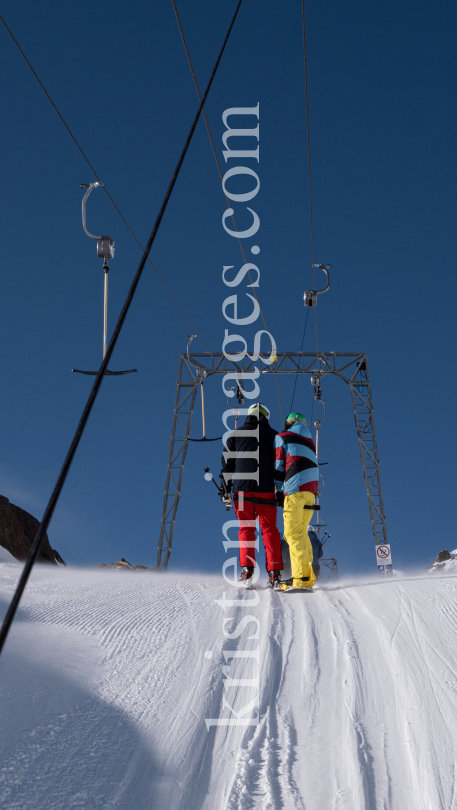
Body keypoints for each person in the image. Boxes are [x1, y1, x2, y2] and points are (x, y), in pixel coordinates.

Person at [221, 402, 283, 589]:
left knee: (246, 530)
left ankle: (247, 571)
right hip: (266, 491)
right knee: (269, 530)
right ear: (266, 417)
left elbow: (226, 466)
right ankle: (274, 573)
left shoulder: (235, 435)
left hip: (242, 491)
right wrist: (280, 491)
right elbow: (280, 465)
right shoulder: (275, 436)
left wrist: (226, 489)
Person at [274, 412, 319, 591]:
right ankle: (307, 577)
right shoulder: (310, 441)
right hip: (311, 492)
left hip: (294, 489)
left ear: (288, 423)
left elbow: (278, 465)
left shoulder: (282, 437)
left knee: (292, 534)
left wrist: (278, 490)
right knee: (301, 533)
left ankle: (300, 577)